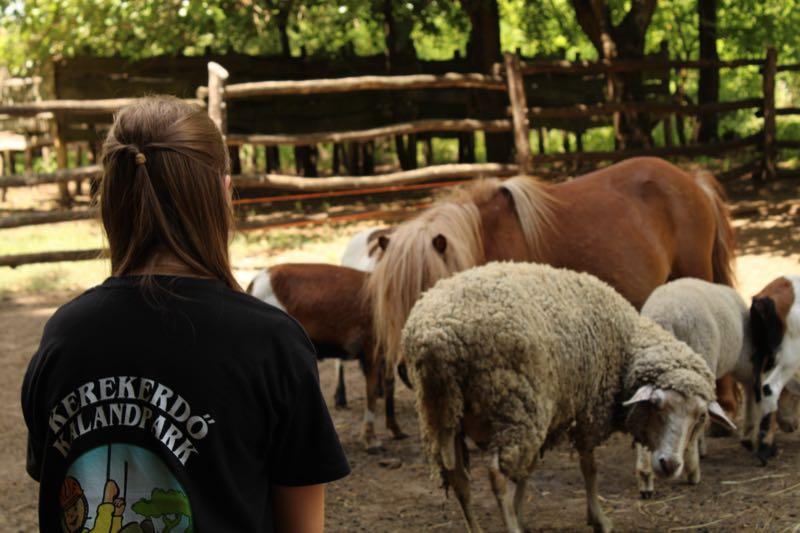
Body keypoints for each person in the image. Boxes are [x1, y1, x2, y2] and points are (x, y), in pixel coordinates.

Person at [21, 96, 350, 532]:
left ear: (110, 202)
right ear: (222, 194)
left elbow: (58, 485)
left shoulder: (63, 336)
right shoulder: (271, 344)